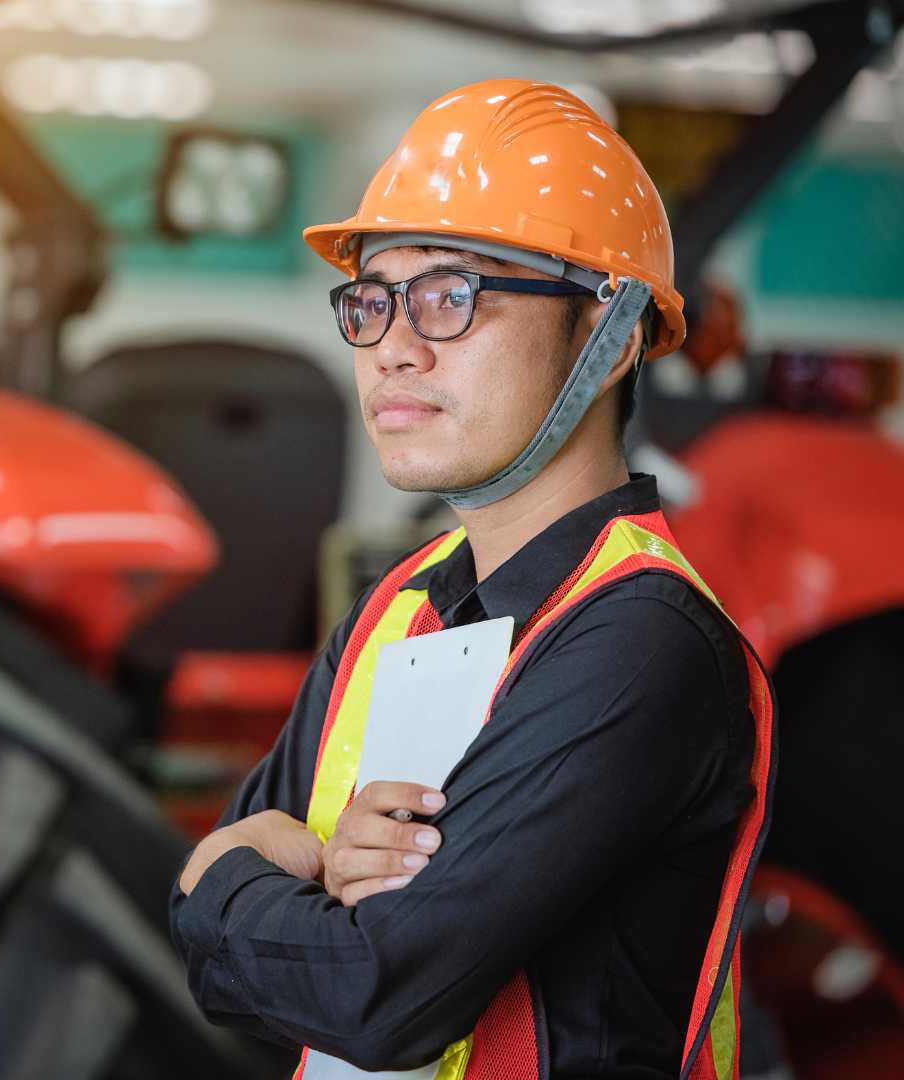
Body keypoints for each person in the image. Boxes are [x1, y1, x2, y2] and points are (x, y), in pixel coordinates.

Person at [169, 80, 774, 1080]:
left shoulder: (642, 641)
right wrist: (255, 893)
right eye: (370, 300)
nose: (392, 349)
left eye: (451, 295)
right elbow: (223, 939)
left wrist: (226, 878)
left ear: (609, 337)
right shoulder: (394, 608)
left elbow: (370, 994)